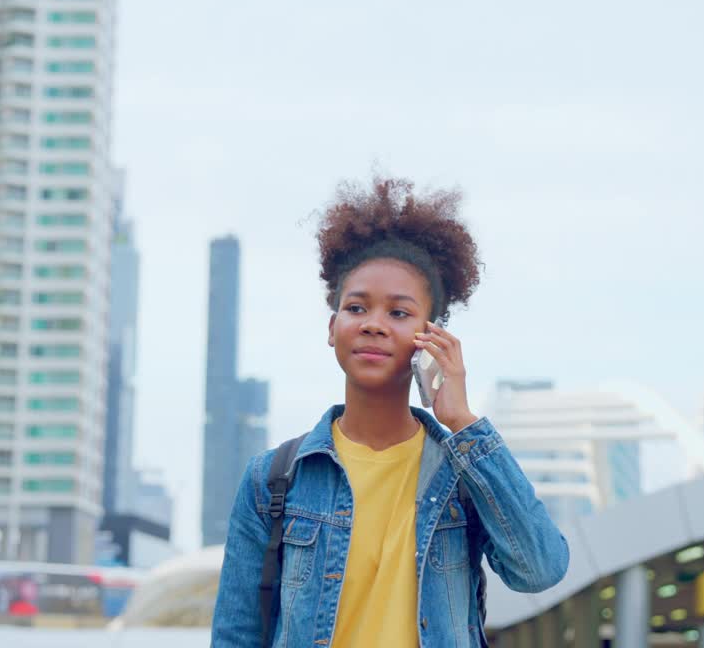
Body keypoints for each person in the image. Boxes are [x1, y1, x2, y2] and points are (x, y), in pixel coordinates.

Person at [212, 176, 569, 647]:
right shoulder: (274, 479)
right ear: (332, 326)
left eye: (399, 313)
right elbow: (236, 636)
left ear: (431, 335)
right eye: (357, 307)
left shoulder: (462, 475)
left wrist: (463, 422)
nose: (374, 325)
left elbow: (539, 569)